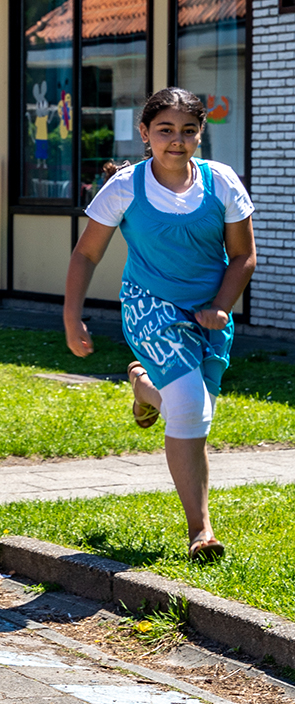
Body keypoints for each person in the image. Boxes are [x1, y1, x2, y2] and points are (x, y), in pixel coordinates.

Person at [63, 87, 256, 562]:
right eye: (165, 130)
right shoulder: (126, 186)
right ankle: (201, 531)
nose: (177, 140)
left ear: (200, 134)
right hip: (150, 307)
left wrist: (222, 307)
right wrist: (71, 317)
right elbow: (87, 253)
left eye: (188, 130)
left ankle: (143, 386)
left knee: (193, 408)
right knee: (191, 408)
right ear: (145, 133)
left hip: (208, 314)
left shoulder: (222, 182)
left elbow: (243, 256)